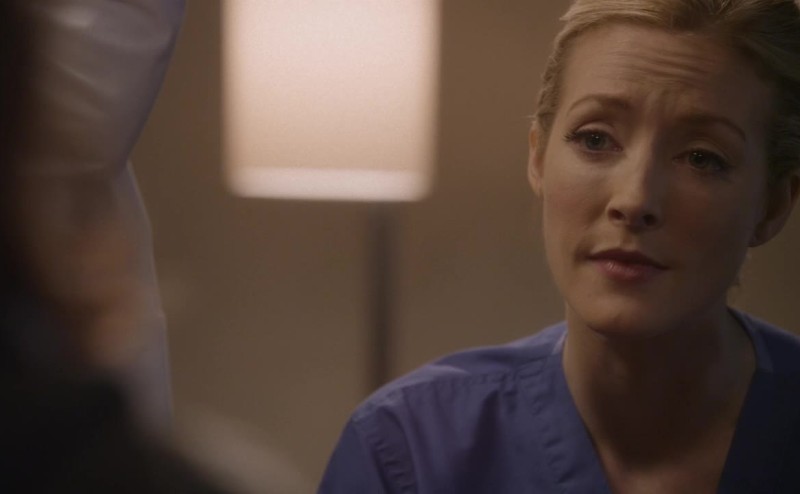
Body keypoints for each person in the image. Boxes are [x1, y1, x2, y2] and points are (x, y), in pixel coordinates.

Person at [318, 0, 800, 492]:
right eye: (595, 140)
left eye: (701, 158)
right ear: (538, 159)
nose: (634, 200)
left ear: (774, 205)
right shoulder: (408, 450)